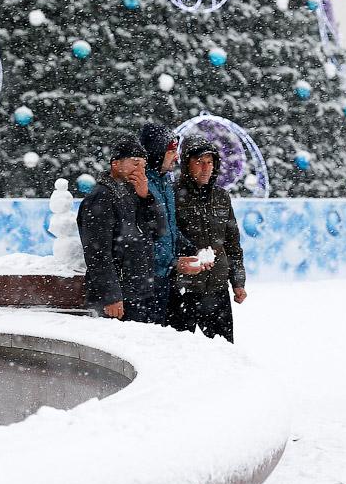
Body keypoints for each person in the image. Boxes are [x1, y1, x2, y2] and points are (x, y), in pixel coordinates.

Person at [168, 134, 247, 343]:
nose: (205, 167)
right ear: (187, 164)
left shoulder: (222, 196)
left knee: (223, 353)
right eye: (199, 162)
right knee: (179, 353)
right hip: (183, 290)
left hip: (218, 289)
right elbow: (167, 240)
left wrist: (238, 282)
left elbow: (232, 244)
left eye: (210, 162)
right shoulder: (172, 194)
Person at [77, 138, 162, 322]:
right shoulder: (100, 197)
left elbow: (159, 231)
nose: (140, 171)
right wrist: (111, 296)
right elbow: (97, 252)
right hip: (117, 299)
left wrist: (147, 197)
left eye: (143, 166)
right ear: (115, 164)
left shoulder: (133, 194)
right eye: (135, 163)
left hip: (139, 292)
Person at [138, 124, 211, 325]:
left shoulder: (164, 183)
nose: (176, 157)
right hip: (142, 283)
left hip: (163, 279)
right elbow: (138, 239)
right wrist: (172, 263)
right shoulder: (141, 186)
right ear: (156, 153)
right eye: (171, 152)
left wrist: (194, 249)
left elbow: (169, 231)